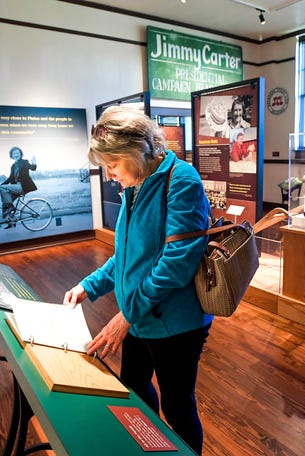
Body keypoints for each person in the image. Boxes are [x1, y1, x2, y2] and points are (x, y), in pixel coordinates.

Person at [63, 106, 213, 455]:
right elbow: (126, 256)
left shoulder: (182, 180)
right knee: (134, 387)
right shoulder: (137, 183)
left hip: (176, 324)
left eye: (112, 165)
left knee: (178, 405)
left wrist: (127, 316)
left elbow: (177, 263)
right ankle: (153, 446)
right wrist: (89, 285)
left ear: (135, 152)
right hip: (141, 316)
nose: (110, 175)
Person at [0, 146, 37, 224]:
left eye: (17, 153)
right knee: (5, 204)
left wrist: (34, 162)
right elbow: (10, 178)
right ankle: (11, 222)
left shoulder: (24, 162)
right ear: (12, 155)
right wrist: (1, 184)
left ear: (20, 154)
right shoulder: (13, 166)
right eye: (14, 153)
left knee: (8, 203)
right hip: (16, 186)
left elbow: (32, 168)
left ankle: (11, 208)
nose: (16, 155)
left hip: (23, 187)